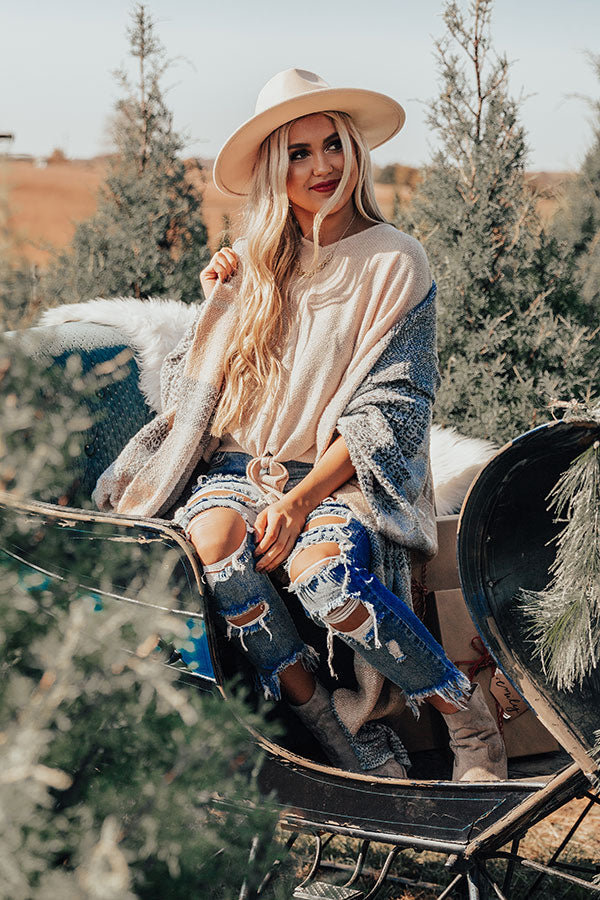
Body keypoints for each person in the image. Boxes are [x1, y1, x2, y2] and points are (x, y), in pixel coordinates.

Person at [94, 68, 507, 781]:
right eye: (298, 152)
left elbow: (392, 408)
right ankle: (329, 728)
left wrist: (300, 499)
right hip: (237, 469)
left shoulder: (395, 260)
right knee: (215, 546)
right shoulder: (255, 261)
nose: (322, 167)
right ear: (273, 170)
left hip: (331, 478)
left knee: (327, 579)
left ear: (354, 151)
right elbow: (201, 395)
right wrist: (218, 306)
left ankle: (468, 721)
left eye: (333, 145)